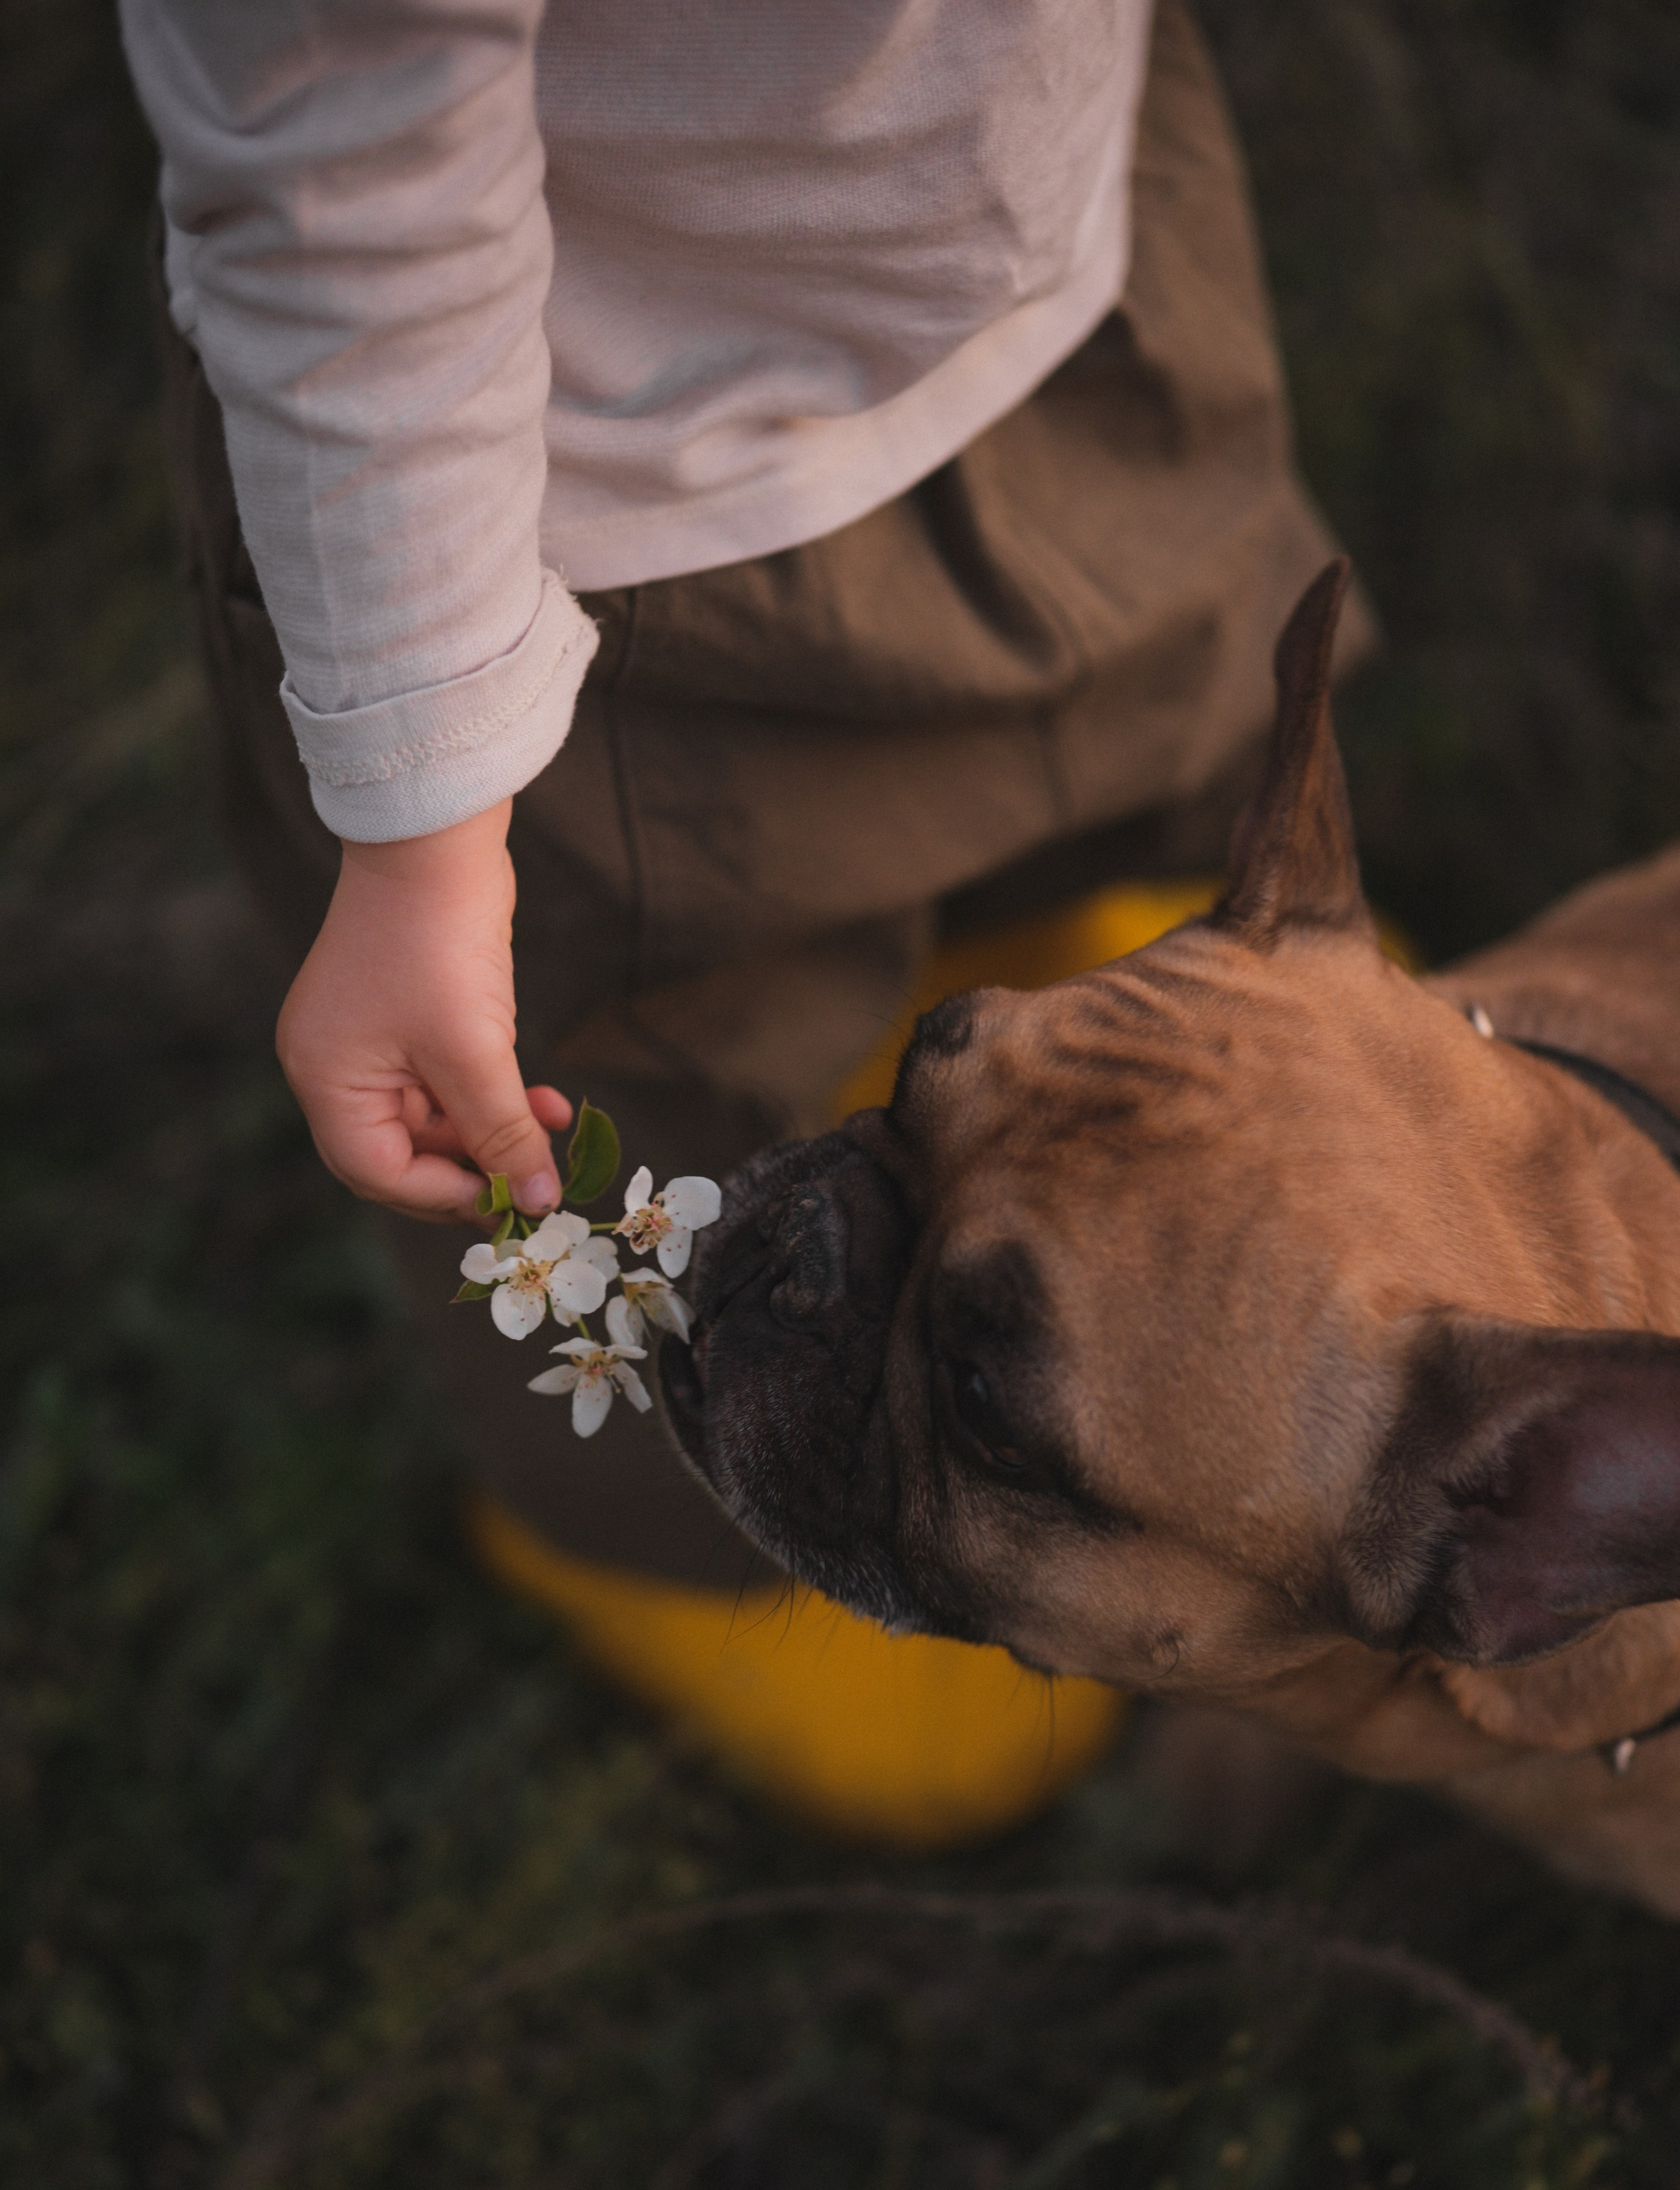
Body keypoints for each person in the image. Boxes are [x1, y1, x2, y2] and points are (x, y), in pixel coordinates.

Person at [119, 0, 1367, 1843]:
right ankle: (659, 1537)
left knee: (1160, 827)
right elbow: (336, 151)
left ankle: (1036, 1050)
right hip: (583, 535)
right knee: (617, 1139)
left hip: (1067, 284)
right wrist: (424, 831)